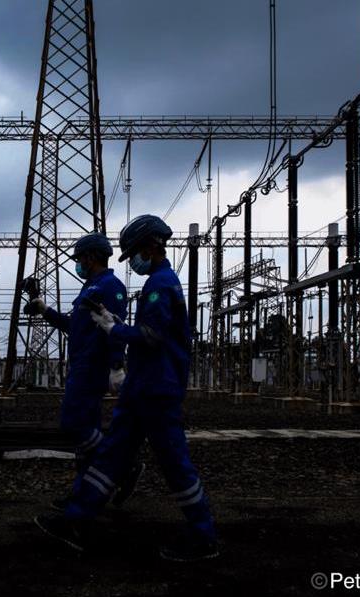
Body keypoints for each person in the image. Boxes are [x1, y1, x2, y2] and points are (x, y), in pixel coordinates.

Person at [35, 215, 219, 562]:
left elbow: (152, 337)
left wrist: (113, 331)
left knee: (174, 462)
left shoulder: (161, 285)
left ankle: (203, 535)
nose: (133, 260)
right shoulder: (156, 282)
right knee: (111, 455)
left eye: (135, 252)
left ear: (152, 246)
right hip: (143, 387)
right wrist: (112, 325)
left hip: (158, 389)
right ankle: (75, 522)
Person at [24, 232, 142, 509]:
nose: (78, 264)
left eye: (80, 259)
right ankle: (83, 494)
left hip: (92, 367)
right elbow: (74, 327)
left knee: (72, 423)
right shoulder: (89, 288)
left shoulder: (110, 286)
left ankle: (123, 466)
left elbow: (114, 326)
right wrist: (45, 311)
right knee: (83, 435)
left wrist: (116, 365)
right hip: (80, 365)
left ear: (91, 257)